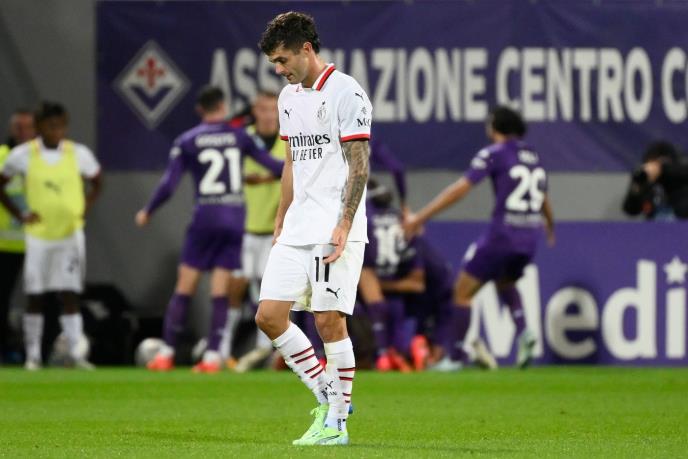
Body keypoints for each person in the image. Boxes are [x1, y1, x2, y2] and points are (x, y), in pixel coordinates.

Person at [255, 11, 372, 446]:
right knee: (269, 317)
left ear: (306, 49)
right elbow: (291, 162)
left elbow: (359, 164)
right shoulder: (288, 98)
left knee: (327, 320)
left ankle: (336, 424)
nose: (279, 69)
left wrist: (345, 222)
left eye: (283, 60)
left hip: (333, 227)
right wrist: (281, 217)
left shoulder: (347, 92)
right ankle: (329, 393)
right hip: (298, 226)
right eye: (274, 63)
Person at [135, 86, 283, 374]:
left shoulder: (188, 140)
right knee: (220, 291)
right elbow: (275, 166)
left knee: (184, 287)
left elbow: (169, 183)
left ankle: (166, 353)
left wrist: (148, 210)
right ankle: (213, 357)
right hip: (235, 219)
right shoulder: (239, 137)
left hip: (205, 217)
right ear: (223, 106)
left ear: (200, 110)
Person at [404, 106, 555, 370]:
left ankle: (456, 357)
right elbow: (543, 197)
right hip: (530, 235)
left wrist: (420, 217)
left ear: (494, 126)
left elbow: (461, 189)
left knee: (462, 292)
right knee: (505, 281)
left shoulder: (494, 153)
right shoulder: (534, 155)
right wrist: (550, 225)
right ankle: (524, 332)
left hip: (503, 234)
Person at [0, 101, 102, 370]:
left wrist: (85, 206)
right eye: (50, 126)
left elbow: (97, 180)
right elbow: (2, 183)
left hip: (69, 235)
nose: (56, 131)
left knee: (69, 293)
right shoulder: (23, 155)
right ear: (39, 127)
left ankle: (76, 353)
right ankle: (33, 356)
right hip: (39, 236)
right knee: (36, 294)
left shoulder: (78, 153)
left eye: (61, 126)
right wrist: (20, 213)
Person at [232, 91, 287, 373]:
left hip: (274, 230)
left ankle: (264, 349)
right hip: (243, 229)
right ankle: (221, 350)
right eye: (262, 110)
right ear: (254, 111)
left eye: (272, 109)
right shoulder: (241, 138)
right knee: (237, 287)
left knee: (269, 290)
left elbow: (292, 173)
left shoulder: (287, 139)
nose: (267, 115)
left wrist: (263, 178)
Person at [0, 109, 35, 362]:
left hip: (39, 240)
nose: (23, 132)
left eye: (28, 127)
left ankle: (39, 352)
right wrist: (18, 214)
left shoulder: (43, 158)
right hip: (6, 242)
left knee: (43, 297)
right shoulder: (2, 155)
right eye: (18, 127)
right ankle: (4, 349)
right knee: (2, 298)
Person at [622, 141, 688, 220]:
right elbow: (631, 210)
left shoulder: (681, 177)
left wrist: (663, 169)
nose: (654, 168)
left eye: (659, 163)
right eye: (651, 163)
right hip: (655, 225)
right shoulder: (645, 181)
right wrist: (637, 186)